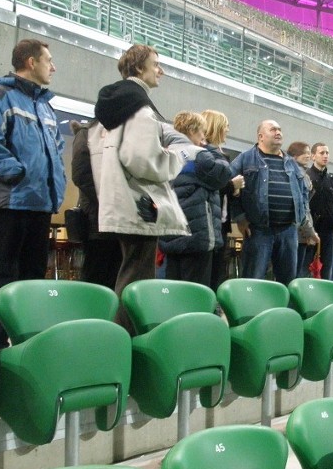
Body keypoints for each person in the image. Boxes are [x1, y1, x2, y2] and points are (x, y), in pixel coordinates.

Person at [88, 44, 190, 332]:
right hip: (140, 206)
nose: (161, 71)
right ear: (138, 68)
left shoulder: (115, 107)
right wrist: (176, 158)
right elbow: (142, 159)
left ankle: (121, 337)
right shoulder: (139, 109)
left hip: (122, 201)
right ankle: (126, 340)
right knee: (136, 281)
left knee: (130, 274)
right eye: (156, 64)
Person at [0, 39, 67, 350]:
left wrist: (57, 186)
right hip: (11, 204)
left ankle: (29, 347)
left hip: (40, 206)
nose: (53, 67)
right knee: (2, 278)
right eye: (48, 61)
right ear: (30, 62)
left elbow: (56, 150)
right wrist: (17, 174)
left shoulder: (46, 106)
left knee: (33, 280)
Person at [158, 111, 236, 287]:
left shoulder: (165, 152)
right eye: (202, 132)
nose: (204, 137)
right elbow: (223, 174)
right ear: (192, 131)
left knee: (174, 285)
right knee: (196, 289)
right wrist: (212, 148)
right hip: (197, 232)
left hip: (170, 229)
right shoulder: (198, 154)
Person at [228, 119, 309, 285]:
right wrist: (240, 218)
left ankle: (284, 312)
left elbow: (303, 192)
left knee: (288, 283)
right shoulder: (246, 159)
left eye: (279, 129)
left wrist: (301, 218)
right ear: (261, 136)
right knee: (253, 280)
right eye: (273, 130)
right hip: (258, 230)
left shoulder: (292, 163)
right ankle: (250, 311)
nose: (278, 132)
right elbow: (230, 188)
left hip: (288, 231)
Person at [70, 119, 120, 290]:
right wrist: (110, 199)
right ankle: (89, 314)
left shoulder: (121, 133)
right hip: (96, 219)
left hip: (119, 221)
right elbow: (81, 175)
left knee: (115, 277)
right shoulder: (87, 134)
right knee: (96, 278)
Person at [200, 109, 243, 291]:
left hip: (222, 223)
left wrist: (234, 191)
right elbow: (207, 188)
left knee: (220, 271)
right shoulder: (203, 154)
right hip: (206, 223)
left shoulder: (221, 155)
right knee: (207, 274)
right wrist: (231, 185)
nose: (227, 130)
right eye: (225, 127)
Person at [305, 142, 333, 280]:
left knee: (326, 271)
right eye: (322, 153)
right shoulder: (306, 177)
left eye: (327, 153)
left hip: (328, 232)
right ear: (313, 156)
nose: (325, 156)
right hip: (310, 231)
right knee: (306, 269)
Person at [286, 141, 319, 278]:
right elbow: (302, 208)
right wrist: (310, 232)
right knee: (295, 274)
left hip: (302, 232)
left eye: (308, 152)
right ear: (294, 157)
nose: (308, 156)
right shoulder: (296, 176)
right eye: (304, 153)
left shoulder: (304, 176)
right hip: (298, 232)